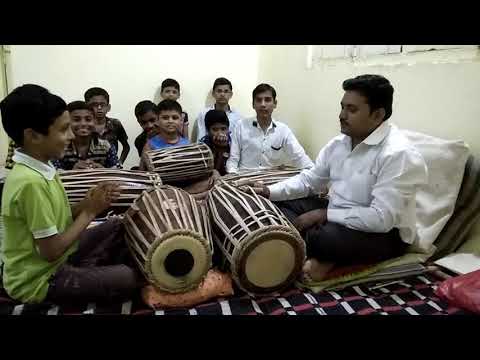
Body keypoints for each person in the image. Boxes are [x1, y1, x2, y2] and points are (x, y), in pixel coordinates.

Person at [250, 75, 428, 281]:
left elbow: (381, 219)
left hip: (383, 234)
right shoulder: (339, 144)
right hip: (336, 218)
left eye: (351, 110)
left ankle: (320, 256)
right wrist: (269, 191)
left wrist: (325, 214)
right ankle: (320, 255)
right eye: (342, 107)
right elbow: (310, 180)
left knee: (325, 239)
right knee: (277, 206)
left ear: (378, 115)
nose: (342, 115)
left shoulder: (398, 154)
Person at [1, 84, 141, 304]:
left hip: (60, 256)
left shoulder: (43, 167)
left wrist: (87, 203)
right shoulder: (30, 183)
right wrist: (89, 212)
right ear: (33, 135)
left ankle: (88, 266)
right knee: (129, 277)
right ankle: (86, 269)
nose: (70, 134)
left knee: (117, 224)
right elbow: (51, 251)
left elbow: (59, 219)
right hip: (41, 279)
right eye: (63, 129)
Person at [226, 83, 313, 173]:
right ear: (253, 104)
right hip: (243, 181)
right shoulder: (241, 126)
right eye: (259, 100)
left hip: (271, 182)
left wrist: (316, 176)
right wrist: (234, 178)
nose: (263, 104)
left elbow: (300, 158)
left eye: (267, 100)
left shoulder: (283, 130)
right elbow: (233, 160)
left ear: (275, 104)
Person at [53, 101, 120, 170]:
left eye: (88, 119)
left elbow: (119, 171)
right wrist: (73, 173)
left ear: (94, 122)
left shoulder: (106, 146)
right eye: (76, 120)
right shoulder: (60, 147)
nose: (83, 124)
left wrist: (103, 171)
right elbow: (53, 174)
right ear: (67, 122)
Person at [84, 87, 130, 165]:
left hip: (111, 169)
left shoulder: (115, 124)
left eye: (102, 104)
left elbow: (126, 147)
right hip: (89, 170)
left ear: (108, 107)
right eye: (94, 105)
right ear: (86, 107)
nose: (99, 108)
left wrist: (120, 162)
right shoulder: (83, 126)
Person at [139, 99, 189, 170]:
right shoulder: (150, 146)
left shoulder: (187, 145)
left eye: (175, 118)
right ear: (157, 120)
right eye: (165, 118)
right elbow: (142, 172)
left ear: (181, 120)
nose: (170, 121)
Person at [199, 109, 231, 176]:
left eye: (223, 129)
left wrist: (223, 147)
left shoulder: (233, 144)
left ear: (228, 129)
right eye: (215, 129)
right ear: (208, 131)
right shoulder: (203, 148)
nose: (220, 133)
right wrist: (219, 148)